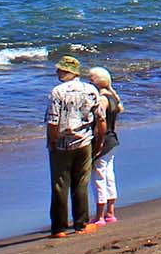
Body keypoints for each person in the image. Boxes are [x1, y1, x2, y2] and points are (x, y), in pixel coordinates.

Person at [45, 54, 106, 237]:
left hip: (62, 143)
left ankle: (59, 228)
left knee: (59, 185)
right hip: (84, 141)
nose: (57, 72)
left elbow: (53, 122)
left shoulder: (57, 92)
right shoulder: (91, 90)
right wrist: (100, 141)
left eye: (60, 69)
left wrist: (51, 141)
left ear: (66, 72)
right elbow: (100, 119)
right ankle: (81, 224)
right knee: (81, 183)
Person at [87, 65, 125, 226]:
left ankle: (100, 215)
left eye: (91, 78)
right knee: (109, 175)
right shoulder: (113, 97)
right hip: (112, 139)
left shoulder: (102, 98)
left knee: (99, 177)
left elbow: (99, 121)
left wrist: (97, 142)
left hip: (103, 140)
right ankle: (110, 212)